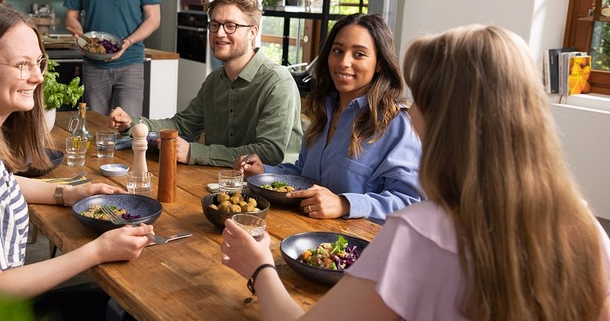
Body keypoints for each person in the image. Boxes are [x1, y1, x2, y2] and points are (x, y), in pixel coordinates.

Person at [220, 25, 610, 321]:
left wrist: (260, 267)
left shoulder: (419, 234)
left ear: (447, 119)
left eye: (419, 99)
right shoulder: (588, 229)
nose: (410, 110)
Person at [0, 4, 154, 320]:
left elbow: (0, 185)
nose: (38, 77)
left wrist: (66, 193)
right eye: (22, 65)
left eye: (38, 62)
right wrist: (97, 251)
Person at [234, 13, 422, 221]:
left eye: (359, 54)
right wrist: (264, 172)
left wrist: (345, 204)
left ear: (379, 63)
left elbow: (410, 203)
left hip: (360, 248)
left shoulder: (397, 123)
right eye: (338, 51)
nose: (344, 62)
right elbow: (305, 176)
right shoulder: (325, 110)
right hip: (307, 235)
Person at [107, 0, 303, 167]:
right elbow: (181, 125)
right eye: (215, 25)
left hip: (273, 191)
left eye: (231, 26)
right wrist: (132, 123)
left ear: (252, 32)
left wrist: (195, 152)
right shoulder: (215, 80)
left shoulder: (277, 82)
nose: (220, 33)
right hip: (220, 182)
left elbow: (269, 153)